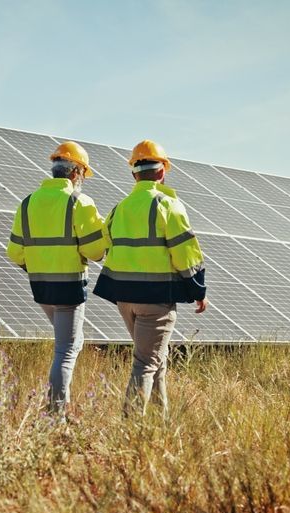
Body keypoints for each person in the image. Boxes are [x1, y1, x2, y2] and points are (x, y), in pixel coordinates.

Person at [93, 140, 208, 419]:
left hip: (124, 298)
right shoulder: (168, 205)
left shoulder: (119, 208)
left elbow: (100, 248)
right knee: (146, 362)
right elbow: (186, 252)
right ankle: (131, 428)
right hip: (156, 299)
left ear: (134, 173)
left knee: (157, 359)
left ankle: (160, 420)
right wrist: (198, 289)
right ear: (162, 172)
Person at [6, 141, 107, 415]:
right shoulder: (78, 202)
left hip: (42, 289)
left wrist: (40, 264)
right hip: (70, 290)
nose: (83, 179)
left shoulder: (27, 203)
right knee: (66, 350)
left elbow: (15, 252)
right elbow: (95, 251)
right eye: (83, 173)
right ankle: (55, 415)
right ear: (75, 172)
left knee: (73, 342)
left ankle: (61, 407)